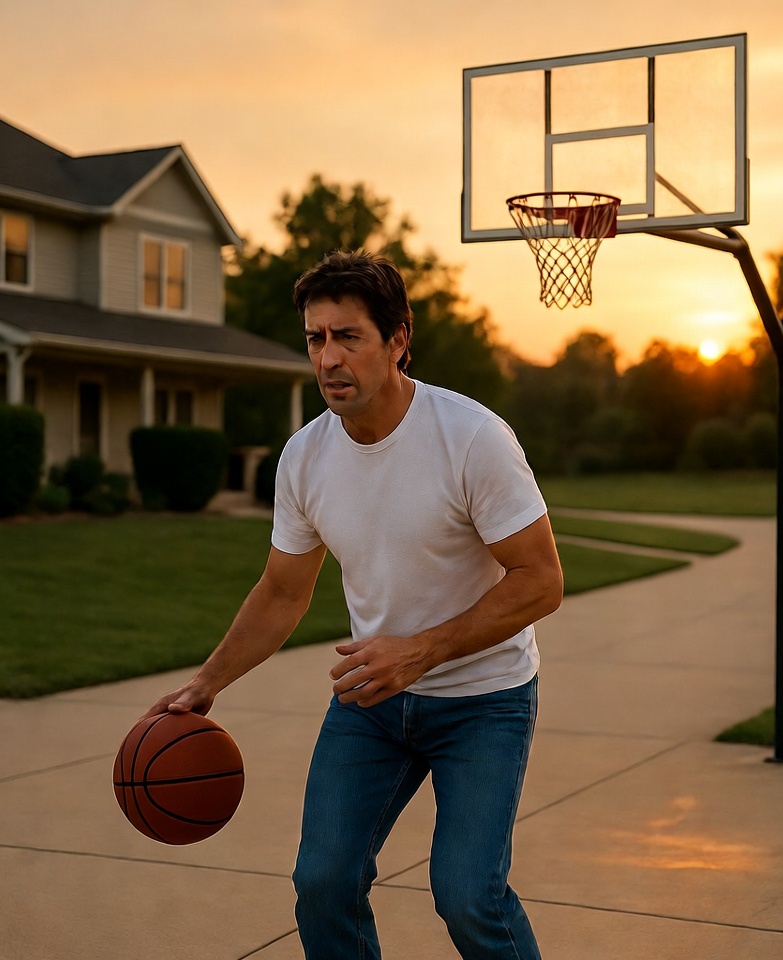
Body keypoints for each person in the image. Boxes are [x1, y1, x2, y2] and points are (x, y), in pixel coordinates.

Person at [141, 250, 563, 959]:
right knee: (324, 883)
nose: (329, 358)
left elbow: (541, 580)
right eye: (315, 339)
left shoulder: (472, 438)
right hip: (372, 705)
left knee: (467, 897)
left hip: (484, 701)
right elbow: (283, 590)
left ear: (398, 340)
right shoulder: (305, 459)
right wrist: (206, 681)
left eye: (348, 337)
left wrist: (421, 649)